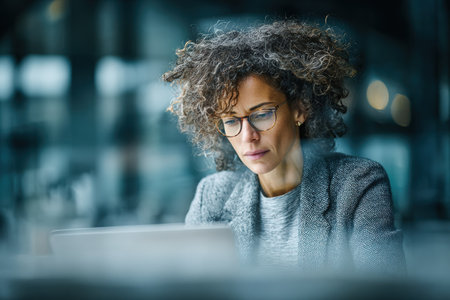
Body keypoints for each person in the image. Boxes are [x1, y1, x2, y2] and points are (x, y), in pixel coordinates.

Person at [163, 20, 405, 274]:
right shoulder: (212, 196)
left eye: (262, 114)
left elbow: (385, 289)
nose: (248, 136)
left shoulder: (356, 185)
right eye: (232, 121)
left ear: (300, 109)